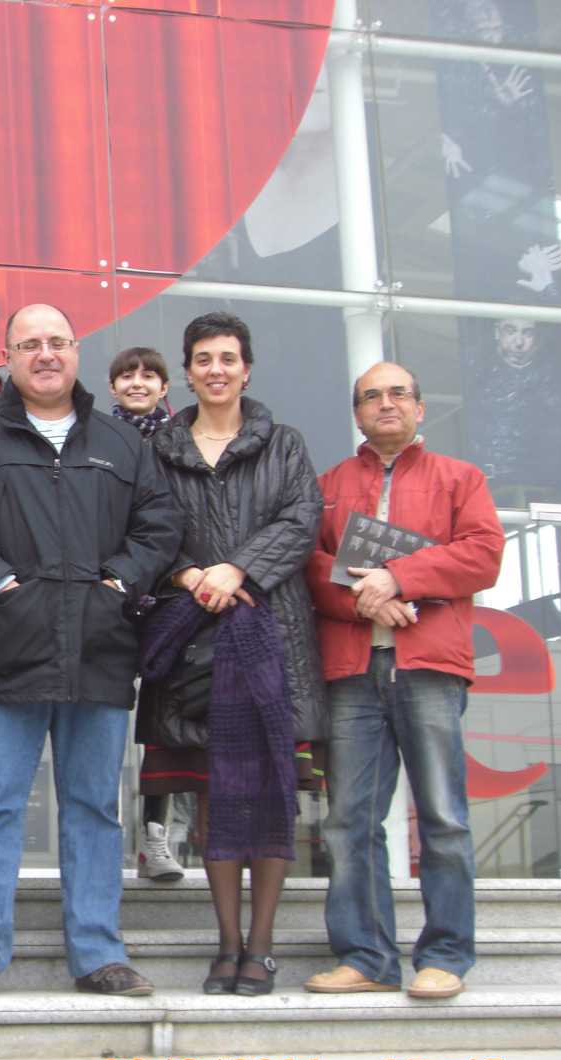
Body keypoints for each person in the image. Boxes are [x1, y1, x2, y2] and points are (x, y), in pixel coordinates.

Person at [0, 303, 180, 1000]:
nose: (46, 355)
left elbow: (161, 523)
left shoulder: (123, 443)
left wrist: (119, 583)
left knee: (94, 807)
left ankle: (97, 953)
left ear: (76, 350)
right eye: (30, 344)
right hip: (1, 646)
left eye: (57, 341)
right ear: (9, 357)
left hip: (98, 647)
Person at [136, 312, 327, 996]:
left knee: (271, 795)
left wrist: (238, 568)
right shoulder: (158, 449)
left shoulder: (284, 443)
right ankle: (225, 944)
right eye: (203, 359)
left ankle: (263, 946)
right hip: (193, 644)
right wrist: (189, 573)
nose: (216, 369)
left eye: (228, 358)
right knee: (216, 799)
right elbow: (143, 526)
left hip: (271, 636)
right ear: (186, 372)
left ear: (247, 369)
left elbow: (302, 520)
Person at [304, 362, 504, 1000]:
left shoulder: (460, 478)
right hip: (352, 669)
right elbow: (308, 564)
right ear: (357, 413)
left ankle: (445, 954)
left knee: (443, 815)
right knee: (349, 820)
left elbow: (483, 554)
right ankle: (365, 955)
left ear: (420, 408)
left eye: (398, 394)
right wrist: (366, 597)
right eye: (371, 396)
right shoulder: (329, 485)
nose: (385, 404)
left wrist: (400, 578)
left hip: (429, 665)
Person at [108, 347, 185, 884]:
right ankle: (98, 835)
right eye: (127, 376)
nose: (138, 383)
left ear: (165, 388)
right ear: (113, 387)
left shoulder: (183, 442)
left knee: (160, 723)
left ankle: (156, 837)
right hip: (109, 595)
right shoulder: (94, 436)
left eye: (148, 375)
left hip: (166, 598)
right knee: (98, 721)